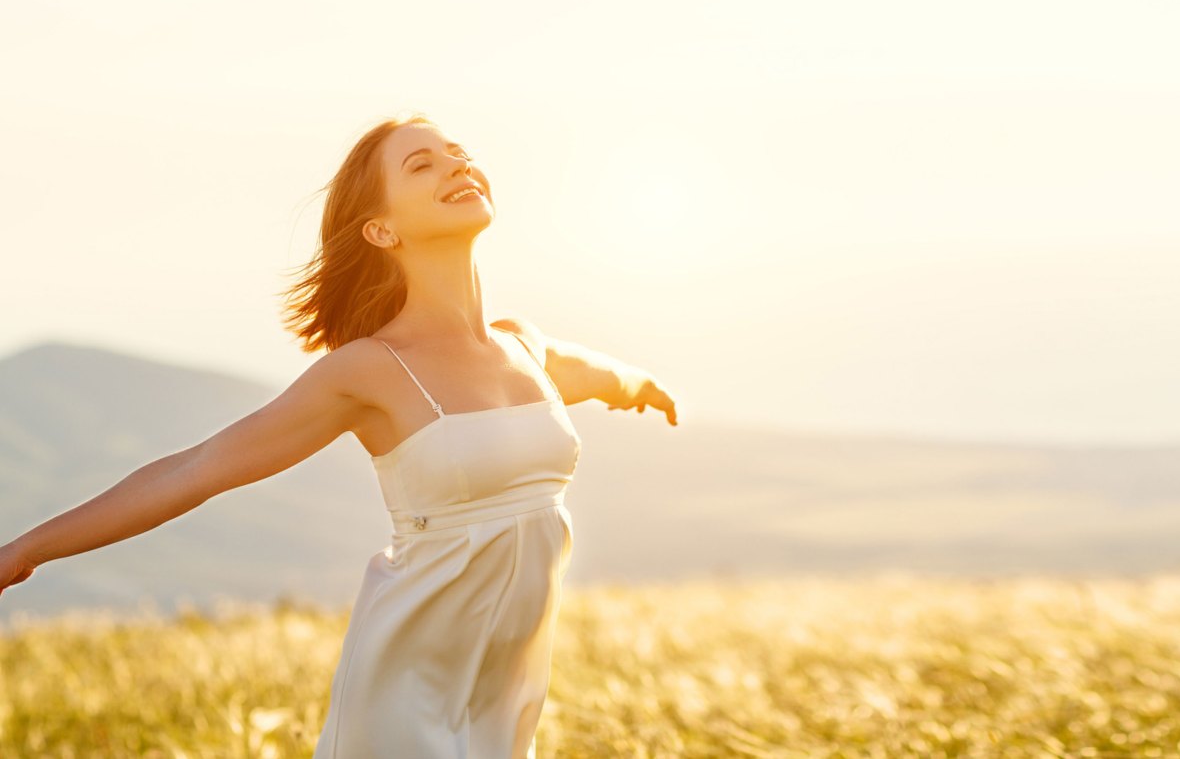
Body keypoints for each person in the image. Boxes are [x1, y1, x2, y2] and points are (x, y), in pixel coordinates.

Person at [0, 111, 679, 757]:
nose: (456, 165)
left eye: (459, 154)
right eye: (422, 164)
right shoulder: (368, 371)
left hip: (508, 688)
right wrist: (28, 549)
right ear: (382, 231)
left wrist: (635, 385)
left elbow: (584, 370)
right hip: (406, 687)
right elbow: (196, 468)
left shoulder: (521, 345)